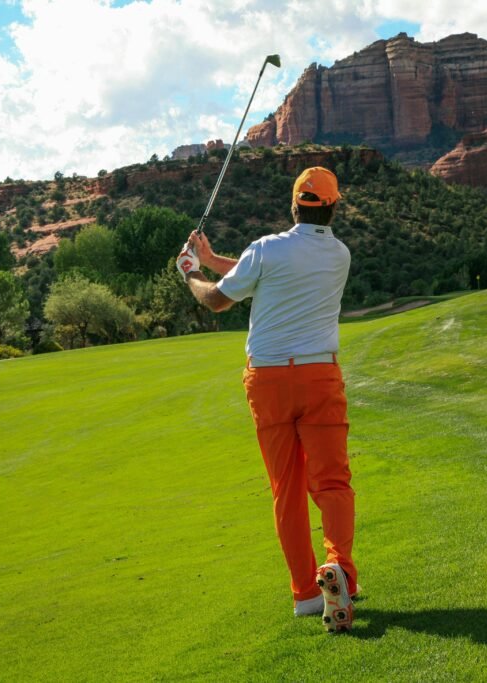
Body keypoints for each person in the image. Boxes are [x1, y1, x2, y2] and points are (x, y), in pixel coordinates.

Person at [174, 167, 358, 632]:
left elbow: (218, 300)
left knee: (287, 490)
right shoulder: (339, 254)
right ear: (334, 207)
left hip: (269, 381)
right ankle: (341, 572)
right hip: (320, 376)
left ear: (294, 205)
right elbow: (269, 270)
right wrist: (216, 258)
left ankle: (305, 594)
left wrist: (193, 272)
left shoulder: (266, 249)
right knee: (332, 482)